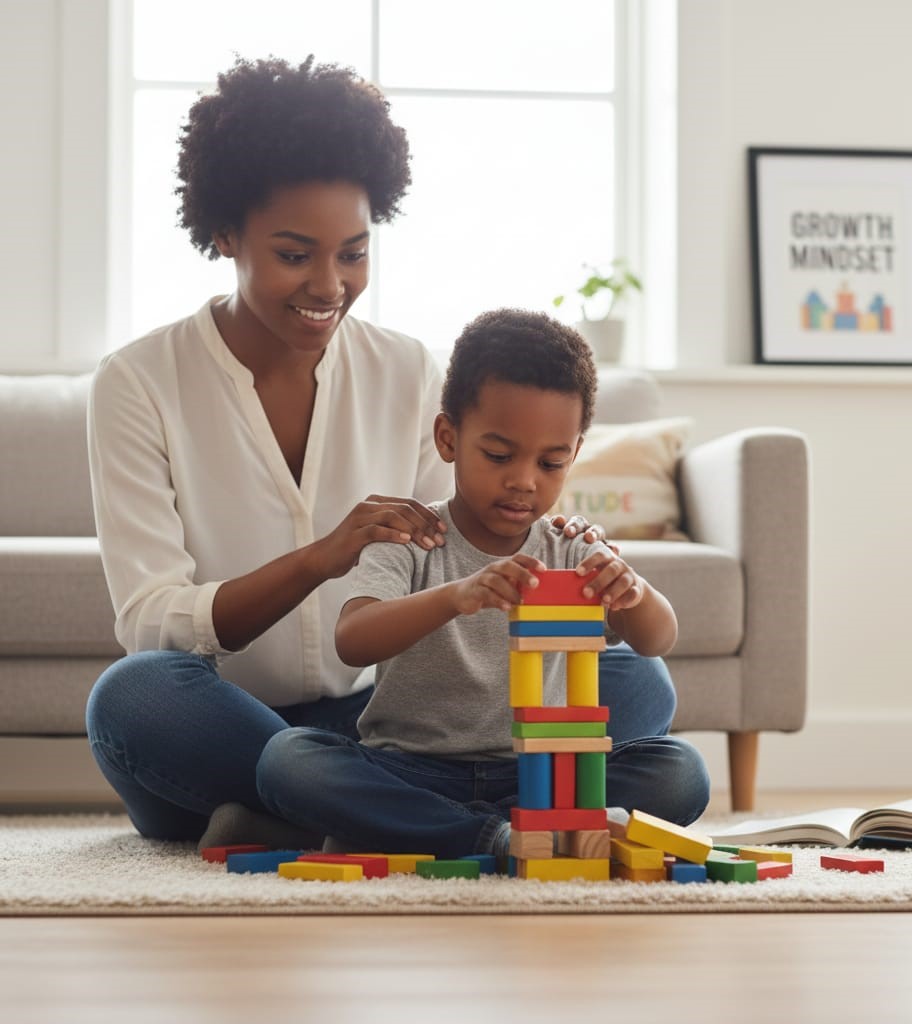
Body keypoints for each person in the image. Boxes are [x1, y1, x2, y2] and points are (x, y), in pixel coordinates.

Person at [85, 56, 680, 848]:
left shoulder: (408, 370)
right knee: (135, 698)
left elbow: (472, 555)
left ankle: (334, 813)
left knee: (641, 682)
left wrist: (565, 582)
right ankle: (420, 815)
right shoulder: (138, 383)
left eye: (354, 253)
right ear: (226, 234)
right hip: (227, 716)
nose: (329, 285)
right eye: (295, 255)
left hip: (395, 728)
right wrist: (321, 558)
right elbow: (151, 620)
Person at [255, 310, 710, 859]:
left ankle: (417, 829)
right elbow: (353, 638)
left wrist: (632, 592)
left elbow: (658, 641)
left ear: (575, 454)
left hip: (538, 776)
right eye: (498, 455)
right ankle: (492, 837)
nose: (524, 480)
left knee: (681, 771)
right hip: (411, 767)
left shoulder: (570, 545)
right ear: (448, 438)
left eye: (551, 462)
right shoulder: (411, 535)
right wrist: (456, 596)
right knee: (289, 760)